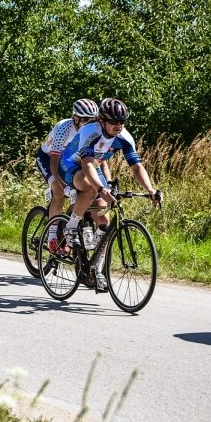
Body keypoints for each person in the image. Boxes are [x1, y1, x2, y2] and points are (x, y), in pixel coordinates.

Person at [59, 97, 162, 290]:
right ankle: (71, 227)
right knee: (91, 187)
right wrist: (100, 188)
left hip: (91, 166)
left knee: (105, 224)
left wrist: (151, 190)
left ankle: (96, 270)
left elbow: (136, 167)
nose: (118, 125)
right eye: (114, 121)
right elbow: (87, 163)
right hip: (71, 164)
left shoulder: (124, 137)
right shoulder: (90, 131)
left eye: (122, 121)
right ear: (102, 120)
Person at [35, 99, 100, 253]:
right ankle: (51, 236)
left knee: (82, 193)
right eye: (85, 119)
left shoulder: (94, 130)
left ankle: (65, 225)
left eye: (92, 119)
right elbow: (54, 161)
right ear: (75, 117)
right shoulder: (63, 128)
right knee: (58, 191)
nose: (89, 123)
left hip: (70, 162)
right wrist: (61, 183)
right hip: (48, 158)